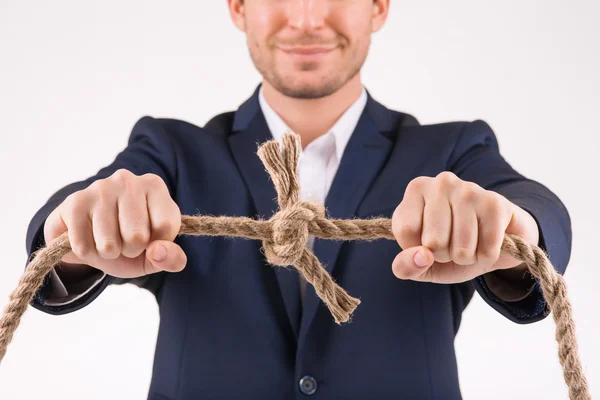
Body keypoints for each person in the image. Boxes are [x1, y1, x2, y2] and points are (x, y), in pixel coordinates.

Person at [24, 1, 571, 399]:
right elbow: (76, 210)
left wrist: (508, 225)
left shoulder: (450, 152)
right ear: (238, 7)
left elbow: (530, 206)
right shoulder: (170, 153)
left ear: (378, 6)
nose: (307, 19)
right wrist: (78, 230)